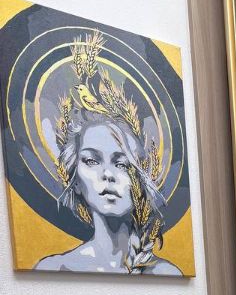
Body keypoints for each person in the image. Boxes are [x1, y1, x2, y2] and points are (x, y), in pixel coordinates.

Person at [36, 99, 180, 275]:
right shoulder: (55, 269)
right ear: (76, 181)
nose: (108, 174)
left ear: (141, 180)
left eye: (121, 164)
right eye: (91, 161)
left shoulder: (167, 273)